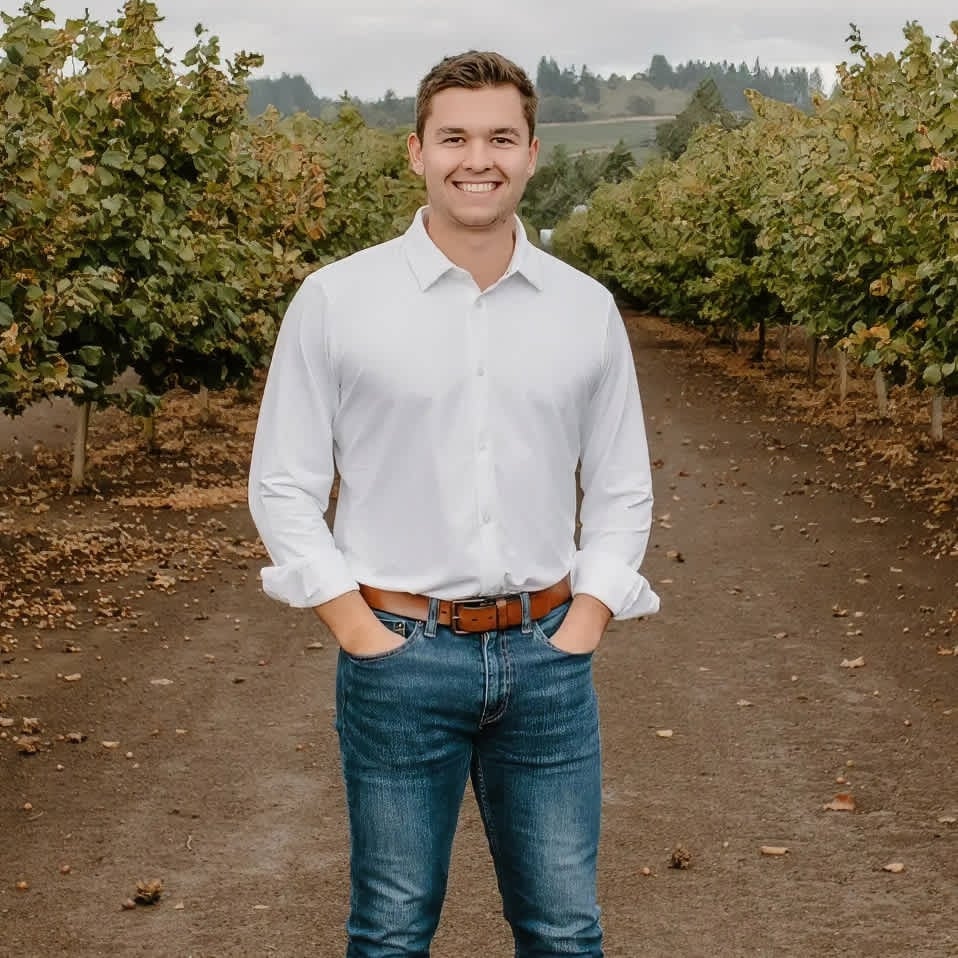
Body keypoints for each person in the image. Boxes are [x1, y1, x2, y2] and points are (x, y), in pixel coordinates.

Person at [248, 50, 659, 958]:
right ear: (417, 153)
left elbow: (625, 482)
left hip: (548, 662)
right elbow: (283, 481)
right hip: (400, 660)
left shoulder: (584, 308)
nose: (480, 158)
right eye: (456, 137)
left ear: (534, 153)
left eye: (501, 137)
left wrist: (586, 619)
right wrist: (359, 631)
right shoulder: (336, 300)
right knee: (392, 930)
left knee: (564, 929)